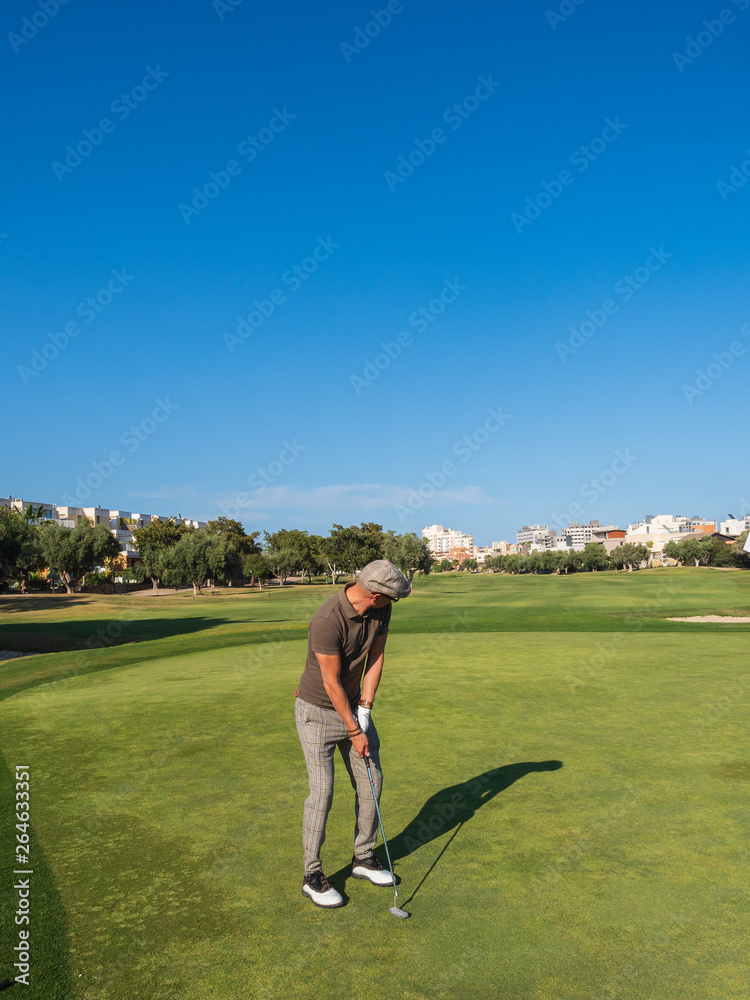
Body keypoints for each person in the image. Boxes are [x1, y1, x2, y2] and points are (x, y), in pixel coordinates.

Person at [294, 559, 412, 908]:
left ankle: (363, 857)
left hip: (353, 708)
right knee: (322, 792)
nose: (395, 603)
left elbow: (376, 658)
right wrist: (352, 729)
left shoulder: (381, 611)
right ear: (376, 595)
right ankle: (312, 875)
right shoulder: (327, 620)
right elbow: (330, 682)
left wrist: (366, 708)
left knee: (372, 780)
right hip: (317, 712)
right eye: (393, 598)